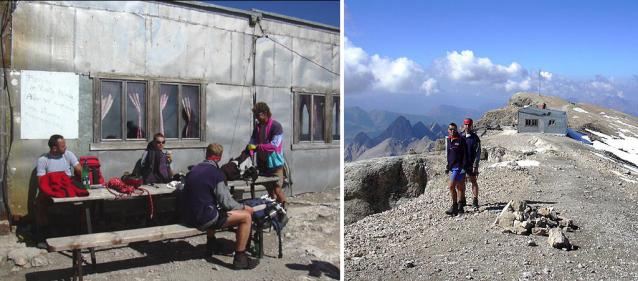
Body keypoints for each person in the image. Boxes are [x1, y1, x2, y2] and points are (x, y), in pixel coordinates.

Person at [181, 143, 259, 270]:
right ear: (220, 157)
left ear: (206, 154)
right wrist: (243, 207)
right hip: (202, 220)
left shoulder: (194, 169)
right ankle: (241, 258)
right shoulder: (216, 173)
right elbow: (226, 202)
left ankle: (211, 244)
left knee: (211, 206)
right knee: (246, 217)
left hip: (187, 216)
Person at [35, 134, 84, 230]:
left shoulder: (68, 155)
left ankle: (80, 228)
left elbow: (80, 170)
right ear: (54, 148)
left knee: (86, 200)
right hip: (52, 188)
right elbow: (41, 182)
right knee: (40, 203)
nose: (66, 147)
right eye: (63, 146)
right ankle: (45, 232)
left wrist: (85, 182)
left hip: (68, 186)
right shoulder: (43, 160)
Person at [247, 102, 287, 208]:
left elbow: (274, 145)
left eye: (257, 115)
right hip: (264, 163)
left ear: (265, 113)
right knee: (270, 189)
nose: (256, 118)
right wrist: (250, 149)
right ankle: (273, 210)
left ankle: (284, 210)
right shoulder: (258, 127)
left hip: (275, 163)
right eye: (255, 116)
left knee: (277, 189)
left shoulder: (276, 126)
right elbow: (252, 141)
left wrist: (257, 147)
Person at [444, 123, 468, 216]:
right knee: (459, 187)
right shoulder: (449, 140)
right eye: (451, 129)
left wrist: (464, 167)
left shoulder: (460, 140)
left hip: (459, 167)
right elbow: (450, 155)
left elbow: (465, 154)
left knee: (451, 186)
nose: (453, 131)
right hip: (453, 167)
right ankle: (460, 207)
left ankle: (455, 206)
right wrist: (448, 166)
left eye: (454, 129)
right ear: (448, 130)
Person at [459, 118, 482, 211]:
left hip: (471, 164)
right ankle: (462, 199)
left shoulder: (475, 138)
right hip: (462, 164)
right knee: (461, 182)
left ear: (471, 125)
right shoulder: (460, 136)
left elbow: (478, 152)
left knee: (473, 181)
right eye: (466, 125)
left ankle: (475, 200)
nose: (467, 126)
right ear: (464, 125)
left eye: (469, 125)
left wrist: (475, 165)